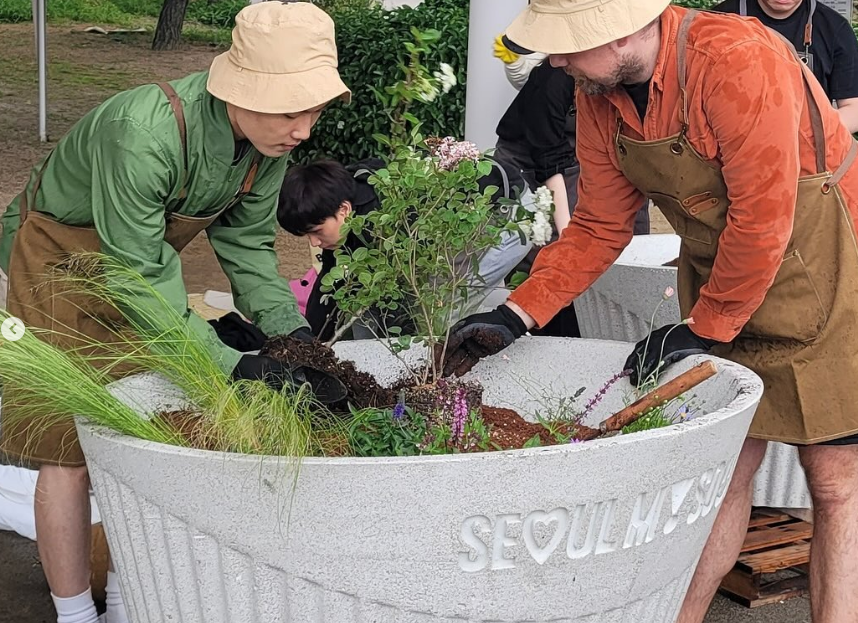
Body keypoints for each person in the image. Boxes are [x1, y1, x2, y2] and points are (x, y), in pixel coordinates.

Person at [442, 1, 858, 622]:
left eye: (565, 44)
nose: (554, 60)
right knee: (721, 467)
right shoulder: (596, 92)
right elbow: (599, 224)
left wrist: (704, 328)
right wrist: (517, 313)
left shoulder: (735, 59)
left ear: (618, 32)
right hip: (722, 275)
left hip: (823, 263)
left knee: (833, 479)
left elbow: (766, 216)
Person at [0, 3, 349, 623]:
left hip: (139, 264)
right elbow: (139, 275)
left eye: (315, 111)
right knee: (70, 446)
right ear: (239, 88)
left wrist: (295, 340)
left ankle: (134, 598)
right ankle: (76, 613)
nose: (303, 129)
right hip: (55, 258)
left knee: (140, 432)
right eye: (291, 109)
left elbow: (243, 248)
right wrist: (233, 366)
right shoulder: (143, 133)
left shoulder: (261, 148)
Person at [278, 156, 533, 341]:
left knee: (439, 314)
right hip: (456, 225)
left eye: (316, 231)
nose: (313, 243)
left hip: (509, 215)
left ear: (343, 210)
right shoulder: (342, 204)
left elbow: (404, 298)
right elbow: (331, 281)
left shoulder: (387, 219)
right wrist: (310, 341)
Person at [714, 0, 858, 132]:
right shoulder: (717, 22)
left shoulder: (835, 29)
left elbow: (853, 109)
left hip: (806, 151)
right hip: (733, 144)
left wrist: (807, 135)